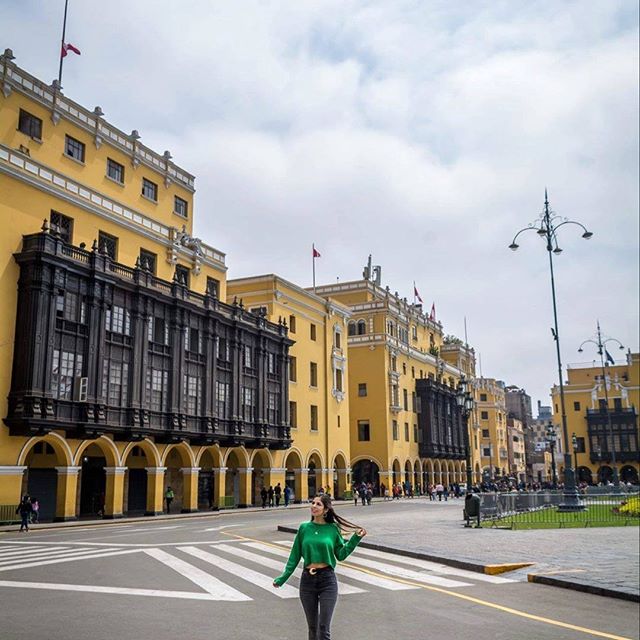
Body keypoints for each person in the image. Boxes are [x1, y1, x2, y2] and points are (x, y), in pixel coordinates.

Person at [273, 494, 366, 640]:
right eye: (313, 503)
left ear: (326, 509)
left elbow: (341, 554)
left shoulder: (333, 529)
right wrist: (283, 578)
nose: (314, 506)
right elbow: (294, 556)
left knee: (323, 628)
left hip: (327, 580)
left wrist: (355, 539)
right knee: (313, 628)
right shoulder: (304, 528)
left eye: (318, 504)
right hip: (307, 581)